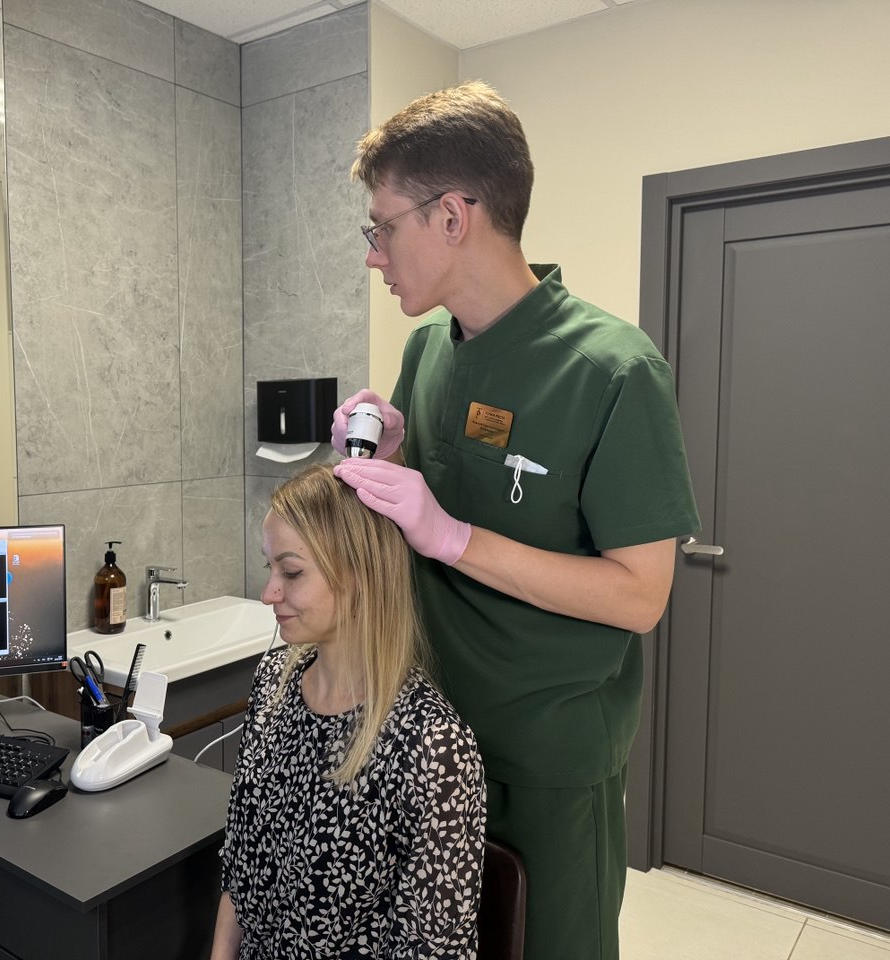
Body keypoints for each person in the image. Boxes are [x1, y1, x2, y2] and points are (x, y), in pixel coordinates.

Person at [331, 82, 700, 960]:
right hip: (429, 734)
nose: (374, 256)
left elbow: (640, 595)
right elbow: (435, 508)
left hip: (544, 760)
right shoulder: (428, 348)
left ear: (452, 217)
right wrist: (391, 469)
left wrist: (454, 538)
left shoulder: (612, 371)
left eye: (382, 229)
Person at [212, 464, 485, 960]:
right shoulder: (273, 682)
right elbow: (239, 868)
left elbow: (432, 948)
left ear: (360, 575)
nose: (269, 593)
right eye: (271, 568)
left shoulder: (434, 749)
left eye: (292, 573)